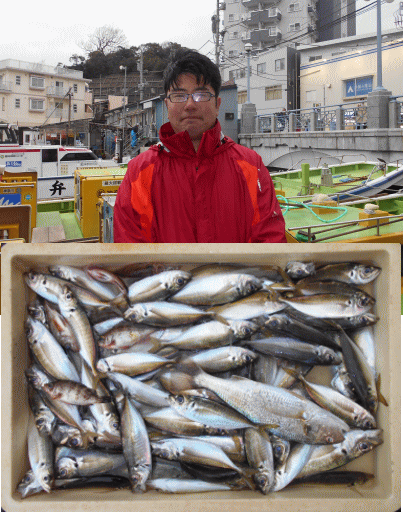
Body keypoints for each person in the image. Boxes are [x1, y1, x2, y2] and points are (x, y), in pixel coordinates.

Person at [113, 49, 287, 243]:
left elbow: (271, 246)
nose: (189, 105)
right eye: (179, 96)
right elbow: (130, 255)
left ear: (218, 104)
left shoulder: (251, 165)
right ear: (167, 105)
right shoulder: (140, 172)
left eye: (201, 94)